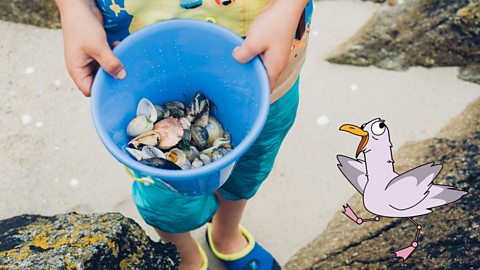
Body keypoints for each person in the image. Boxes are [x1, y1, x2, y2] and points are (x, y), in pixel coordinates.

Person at [56, 0, 313, 269]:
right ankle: (184, 256)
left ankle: (226, 233)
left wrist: (288, 7)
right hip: (137, 61)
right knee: (165, 198)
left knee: (247, 171)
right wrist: (75, 9)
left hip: (269, 65)